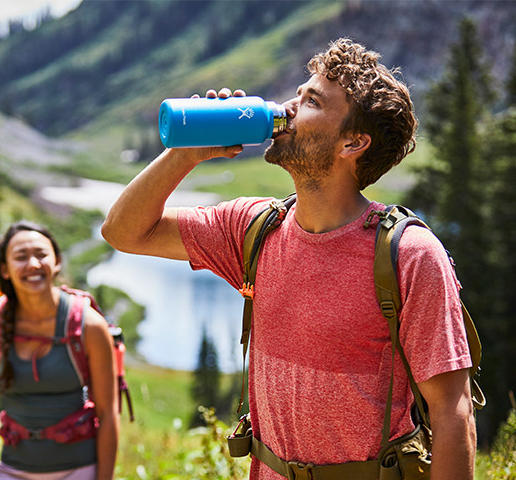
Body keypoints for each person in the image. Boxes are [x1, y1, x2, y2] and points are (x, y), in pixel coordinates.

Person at [102, 38, 476, 479]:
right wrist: (185, 152)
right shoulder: (254, 228)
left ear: (353, 143)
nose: (288, 107)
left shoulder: (408, 255)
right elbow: (123, 231)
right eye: (297, 94)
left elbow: (453, 411)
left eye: (311, 101)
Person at [0, 220, 119, 480]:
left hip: (80, 470)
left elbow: (107, 414)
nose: (34, 264)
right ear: (4, 269)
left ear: (57, 262)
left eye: (41, 254)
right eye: (21, 257)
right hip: (11, 471)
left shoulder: (90, 325)